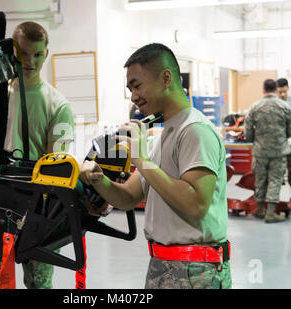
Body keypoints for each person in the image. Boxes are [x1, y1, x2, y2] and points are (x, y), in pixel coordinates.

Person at [80, 43, 231, 289]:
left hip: (195, 272)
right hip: (162, 265)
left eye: (137, 86)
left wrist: (142, 160)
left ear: (166, 78)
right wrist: (99, 179)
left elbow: (196, 205)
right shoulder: (165, 134)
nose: (133, 96)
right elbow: (129, 197)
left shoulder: (194, 131)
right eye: (130, 89)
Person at [0, 21, 75, 289]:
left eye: (36, 54)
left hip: (39, 207)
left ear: (46, 53)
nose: (29, 61)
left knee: (39, 284)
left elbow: (55, 166)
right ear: (12, 52)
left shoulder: (59, 106)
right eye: (22, 53)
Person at [244, 79, 291, 223]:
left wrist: (257, 139)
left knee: (260, 179)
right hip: (279, 151)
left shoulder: (254, 107)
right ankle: (271, 213)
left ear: (263, 89)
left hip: (260, 152)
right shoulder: (285, 107)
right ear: (275, 89)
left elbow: (248, 134)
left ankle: (260, 209)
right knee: (275, 180)